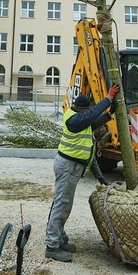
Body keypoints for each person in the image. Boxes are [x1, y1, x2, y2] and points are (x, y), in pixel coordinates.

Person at [44, 84, 119, 262]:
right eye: (87, 112)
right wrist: (108, 98)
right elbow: (91, 116)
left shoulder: (81, 122)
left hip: (71, 166)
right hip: (67, 166)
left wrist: (109, 114)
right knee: (62, 204)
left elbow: (93, 123)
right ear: (82, 110)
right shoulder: (73, 120)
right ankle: (52, 246)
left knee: (62, 204)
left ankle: (59, 239)